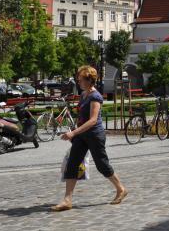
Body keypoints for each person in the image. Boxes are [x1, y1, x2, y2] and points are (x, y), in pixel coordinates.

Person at [53, 66, 127, 212]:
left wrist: (73, 133)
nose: (78, 82)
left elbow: (93, 120)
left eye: (80, 79)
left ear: (89, 80)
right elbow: (82, 117)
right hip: (82, 135)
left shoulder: (95, 96)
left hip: (94, 135)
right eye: (78, 79)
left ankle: (121, 189)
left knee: (102, 165)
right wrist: (75, 132)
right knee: (72, 164)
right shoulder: (84, 95)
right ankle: (67, 200)